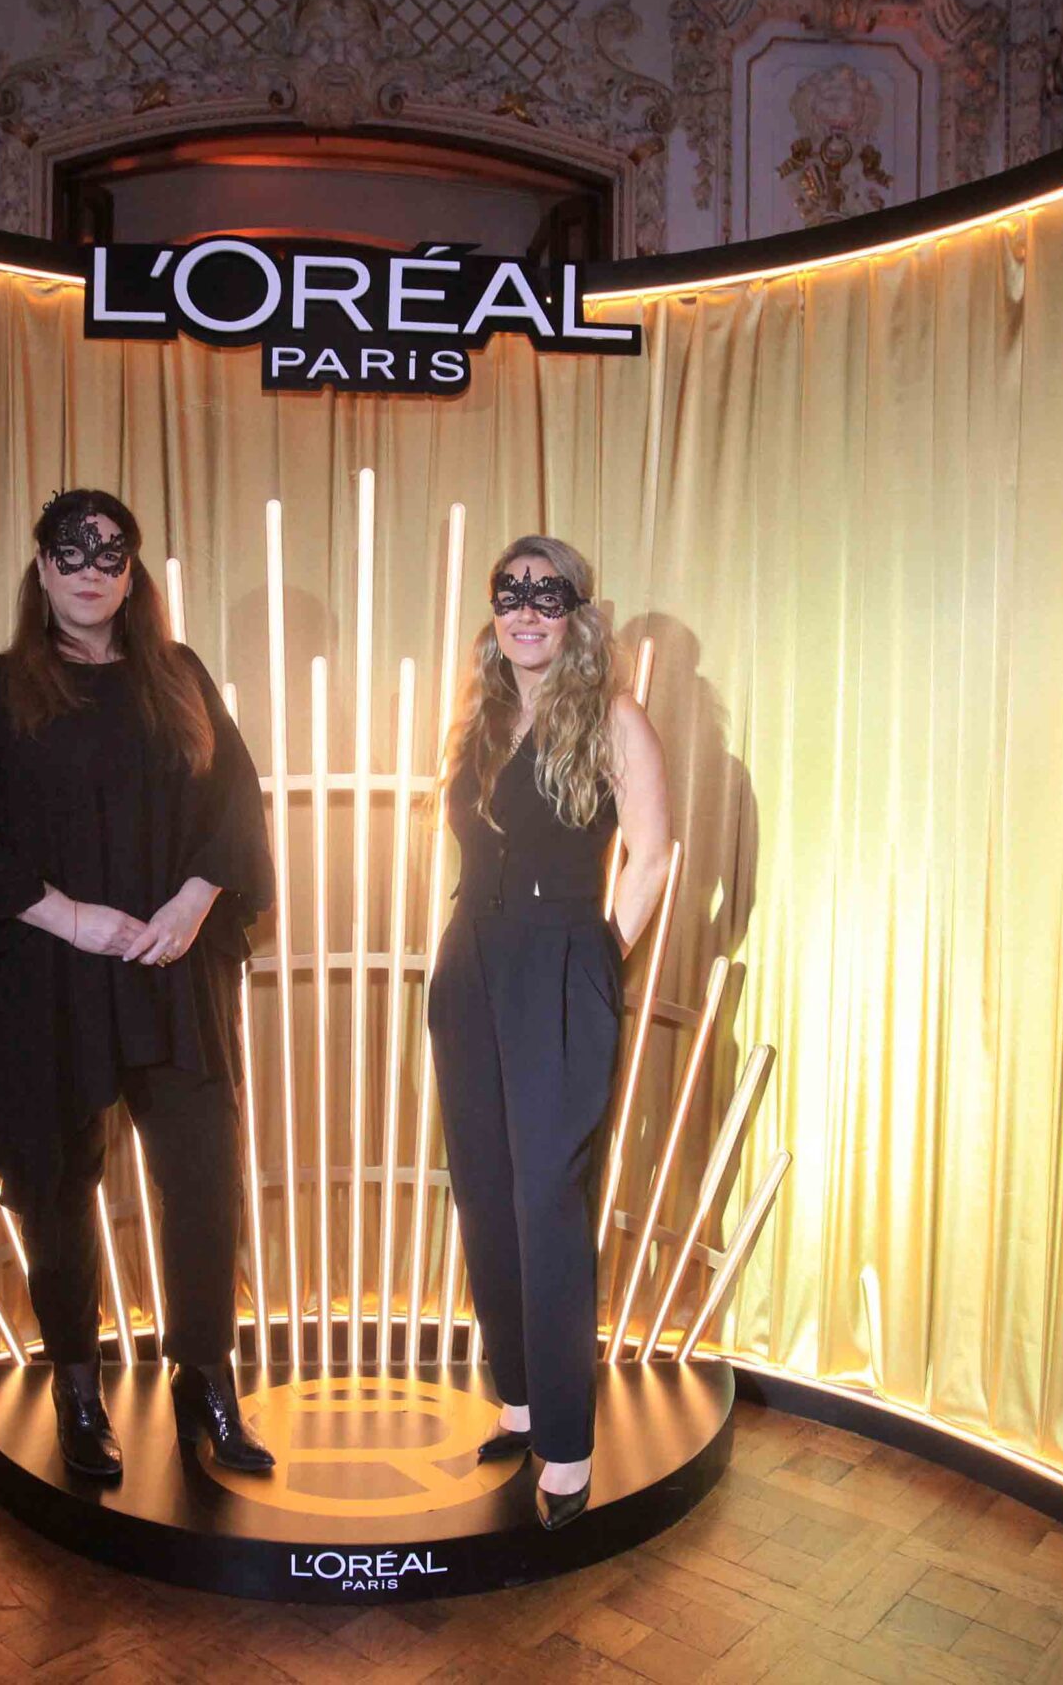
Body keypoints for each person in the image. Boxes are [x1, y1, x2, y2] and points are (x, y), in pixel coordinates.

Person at [0, 489, 275, 1482]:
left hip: (169, 971)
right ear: (40, 567)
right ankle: (77, 1387)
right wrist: (71, 916)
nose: (89, 569)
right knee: (55, 1185)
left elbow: (235, 805)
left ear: (132, 571)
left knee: (202, 1176)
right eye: (68, 551)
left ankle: (206, 1382)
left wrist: (195, 899)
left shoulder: (179, 676)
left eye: (109, 553)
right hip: (46, 981)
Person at [429, 535, 670, 1530]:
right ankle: (522, 1399)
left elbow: (653, 856)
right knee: (484, 1191)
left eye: (547, 594)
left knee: (547, 1203)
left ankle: (567, 1444)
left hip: (560, 962)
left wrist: (596, 955)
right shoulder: (480, 718)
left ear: (577, 612)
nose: (526, 611)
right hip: (469, 966)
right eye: (510, 593)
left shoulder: (614, 715)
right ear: (494, 609)